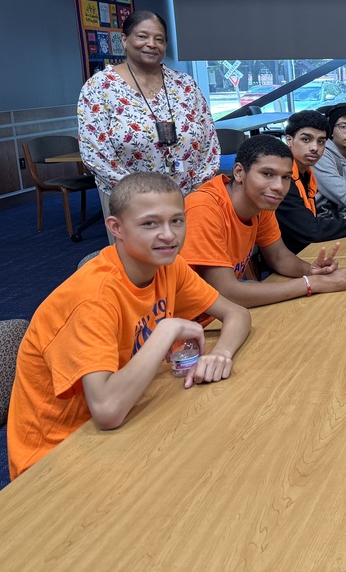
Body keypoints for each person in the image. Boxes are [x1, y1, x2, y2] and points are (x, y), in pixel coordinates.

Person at [7, 172, 251, 480]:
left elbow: (237, 314)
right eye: (150, 224)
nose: (169, 235)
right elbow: (107, 412)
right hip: (55, 458)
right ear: (116, 228)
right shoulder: (93, 299)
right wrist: (166, 332)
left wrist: (222, 354)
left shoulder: (167, 264)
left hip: (129, 417)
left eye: (177, 221)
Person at [181, 135, 346, 307]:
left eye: (286, 177)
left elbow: (279, 256)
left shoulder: (261, 203)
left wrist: (312, 271)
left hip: (227, 311)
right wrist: (312, 284)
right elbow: (227, 292)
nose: (279, 187)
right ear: (239, 172)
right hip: (193, 321)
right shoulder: (203, 207)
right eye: (267, 174)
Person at [78, 10, 221, 220]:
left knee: (193, 252)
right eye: (142, 36)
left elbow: (209, 140)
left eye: (159, 39)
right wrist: (138, 194)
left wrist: (200, 187)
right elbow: (95, 152)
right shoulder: (100, 87)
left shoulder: (185, 85)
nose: (152, 44)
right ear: (125, 40)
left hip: (190, 197)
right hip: (132, 202)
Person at [276, 110, 346, 255]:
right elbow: (310, 229)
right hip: (295, 256)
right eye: (306, 140)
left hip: (309, 249)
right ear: (289, 140)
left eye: (321, 141)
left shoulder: (307, 173)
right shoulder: (281, 179)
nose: (314, 148)